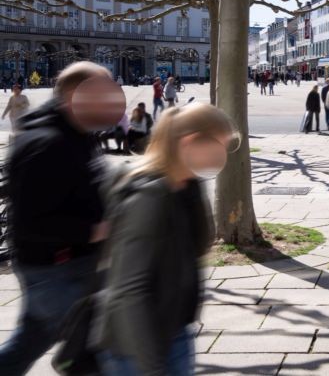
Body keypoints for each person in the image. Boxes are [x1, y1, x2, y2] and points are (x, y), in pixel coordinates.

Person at [0, 62, 125, 375]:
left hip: (69, 265)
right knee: (99, 352)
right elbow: (31, 222)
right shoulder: (47, 143)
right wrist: (95, 230)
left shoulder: (76, 131)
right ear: (75, 95)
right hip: (56, 269)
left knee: (32, 341)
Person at [98, 104, 234, 375]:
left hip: (174, 330)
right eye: (219, 146)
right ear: (190, 142)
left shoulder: (184, 185)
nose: (223, 156)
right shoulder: (148, 197)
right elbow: (129, 291)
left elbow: (201, 242)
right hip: (139, 347)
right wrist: (150, 366)